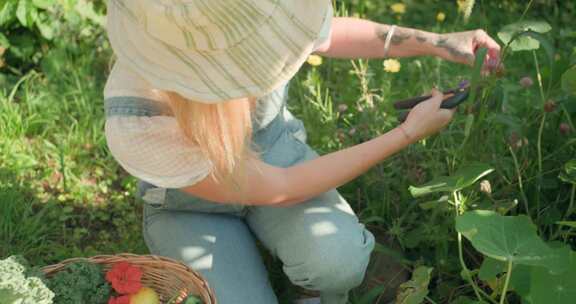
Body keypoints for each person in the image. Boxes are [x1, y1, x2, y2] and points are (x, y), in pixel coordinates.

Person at [103, 1, 501, 303]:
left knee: (337, 260)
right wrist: (408, 132)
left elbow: (328, 35)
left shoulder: (245, 14)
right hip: (188, 207)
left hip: (273, 152)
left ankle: (306, 285)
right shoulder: (139, 117)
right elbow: (285, 188)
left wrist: (438, 43)